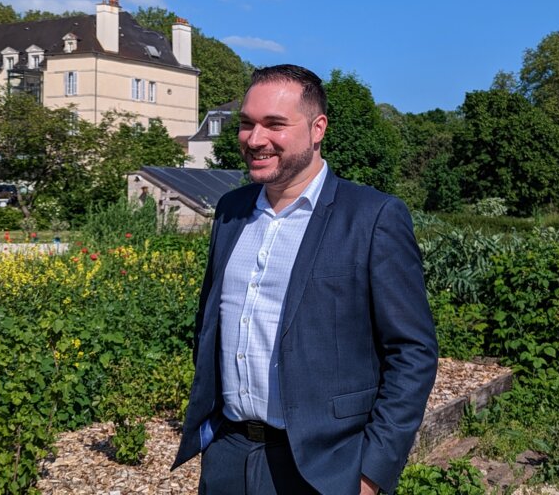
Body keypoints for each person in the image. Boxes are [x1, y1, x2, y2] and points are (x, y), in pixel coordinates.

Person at [172, 65, 438, 494]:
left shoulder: (371, 217)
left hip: (324, 467)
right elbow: (210, 322)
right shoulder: (231, 211)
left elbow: (413, 353)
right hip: (228, 456)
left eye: (274, 124)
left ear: (318, 129)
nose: (255, 140)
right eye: (246, 124)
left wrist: (371, 474)